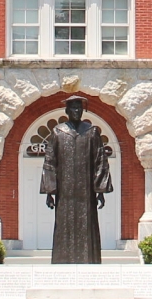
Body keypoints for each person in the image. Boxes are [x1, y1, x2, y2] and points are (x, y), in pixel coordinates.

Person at [40, 95, 113, 263]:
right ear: (66, 111)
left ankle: (89, 261)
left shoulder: (91, 132)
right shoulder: (58, 132)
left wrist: (100, 190)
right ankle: (62, 261)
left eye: (79, 109)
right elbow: (50, 162)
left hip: (86, 191)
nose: (76, 111)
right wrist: (49, 192)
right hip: (64, 192)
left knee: (86, 225)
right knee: (64, 224)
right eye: (73, 108)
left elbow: (100, 160)